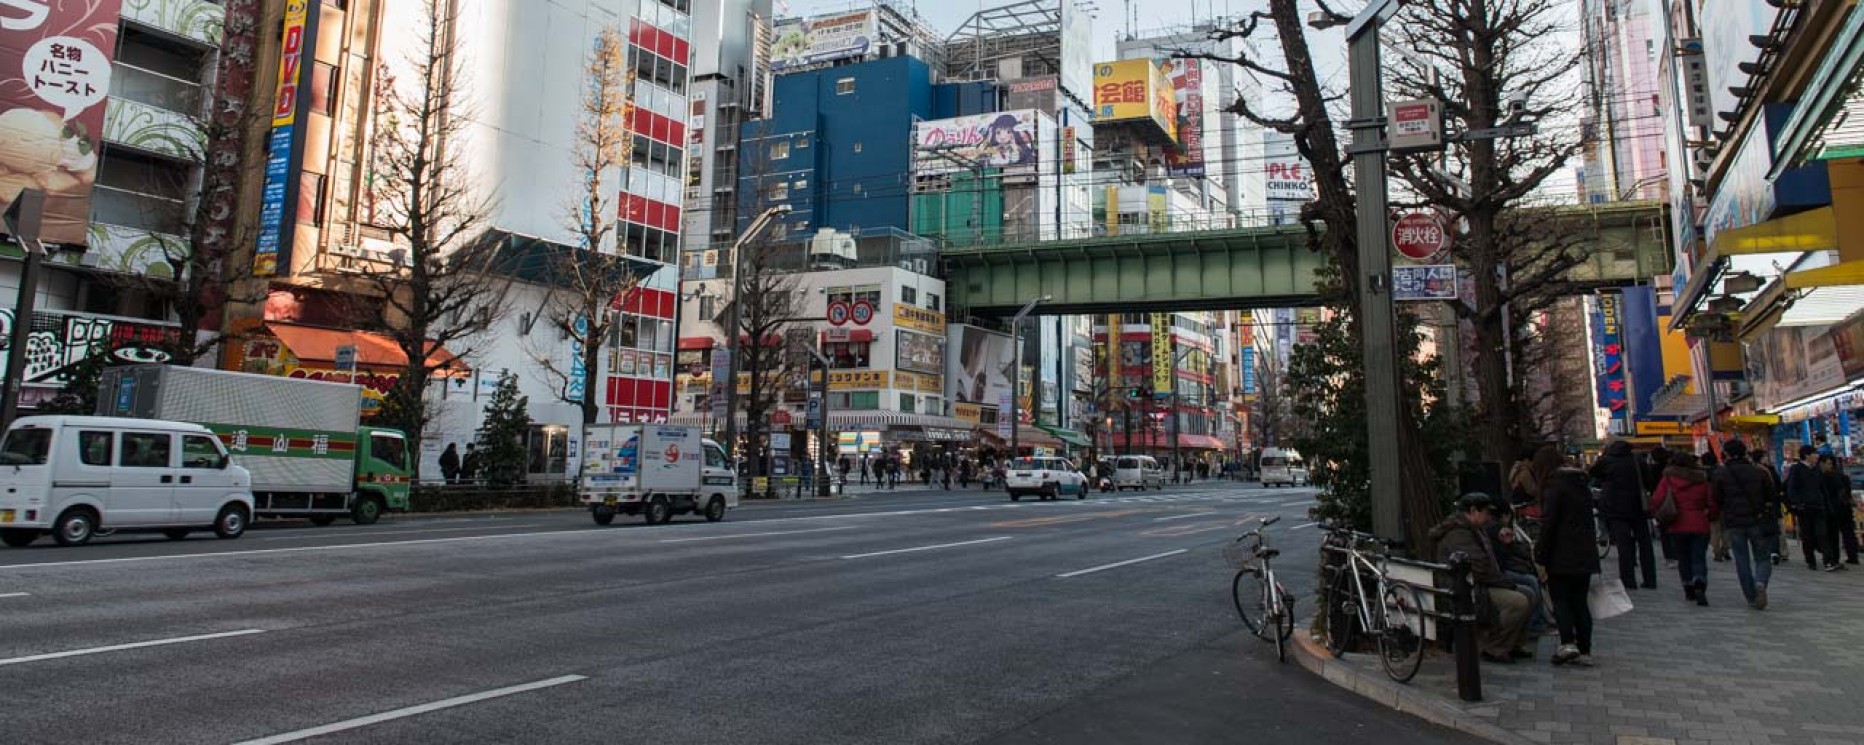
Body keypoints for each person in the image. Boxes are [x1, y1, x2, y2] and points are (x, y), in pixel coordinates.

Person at [1431, 493, 1534, 665]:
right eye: (1486, 513)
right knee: (1518, 602)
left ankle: (1513, 644)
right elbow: (1479, 567)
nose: (1488, 517)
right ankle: (1495, 647)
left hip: (1482, 582)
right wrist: (1504, 582)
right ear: (1473, 511)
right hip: (1469, 587)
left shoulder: (1475, 529)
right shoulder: (1458, 533)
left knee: (1530, 593)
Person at [1535, 450, 1600, 666]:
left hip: (1561, 553)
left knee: (1561, 599)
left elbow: (1549, 523)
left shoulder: (1555, 487)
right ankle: (1585, 648)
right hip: (1585, 552)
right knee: (1580, 601)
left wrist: (1541, 552)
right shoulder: (1581, 485)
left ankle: (1567, 643)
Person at [1711, 440, 1779, 609]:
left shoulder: (1721, 474)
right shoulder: (1759, 472)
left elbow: (1717, 499)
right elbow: (1771, 495)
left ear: (1726, 453)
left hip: (1734, 521)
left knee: (1742, 559)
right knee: (1763, 557)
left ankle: (1751, 597)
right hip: (1758, 519)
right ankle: (1761, 582)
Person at [1590, 440, 1658, 589]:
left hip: (1615, 507)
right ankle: (1650, 579)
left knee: (1624, 545)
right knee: (1645, 544)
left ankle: (1628, 580)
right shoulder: (1638, 461)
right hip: (1638, 506)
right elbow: (1649, 482)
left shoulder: (1607, 461)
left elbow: (1593, 474)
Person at [1652, 451, 1715, 605]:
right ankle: (1699, 581)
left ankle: (1688, 587)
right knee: (1698, 556)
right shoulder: (1702, 479)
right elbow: (1712, 502)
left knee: (1683, 557)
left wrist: (1657, 515)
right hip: (1699, 523)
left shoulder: (1668, 479)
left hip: (1677, 524)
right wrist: (1710, 516)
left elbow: (1657, 500)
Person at [1785, 445, 1839, 571]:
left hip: (1818, 507)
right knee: (1807, 535)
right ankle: (1810, 561)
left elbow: (1822, 489)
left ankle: (1828, 561)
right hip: (1804, 508)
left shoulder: (1816, 470)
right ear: (1807, 455)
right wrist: (1797, 503)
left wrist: (1826, 504)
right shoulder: (1796, 469)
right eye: (1815, 454)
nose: (1817, 457)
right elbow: (1791, 488)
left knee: (1822, 534)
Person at [1818, 455, 1854, 569]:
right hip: (1843, 508)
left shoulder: (1828, 477)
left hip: (1835, 509)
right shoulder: (1842, 476)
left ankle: (1833, 558)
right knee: (1846, 533)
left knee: (1833, 535)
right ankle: (1851, 556)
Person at [1703, 450, 1732, 562]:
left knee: (1714, 529)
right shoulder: (1722, 471)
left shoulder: (1702, 474)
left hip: (1710, 504)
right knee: (1726, 528)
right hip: (1724, 503)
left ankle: (1716, 552)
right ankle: (1726, 549)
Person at [1508, 447, 1544, 518]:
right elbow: (1532, 490)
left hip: (1518, 504)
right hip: (1524, 505)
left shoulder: (1517, 469)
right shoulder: (1524, 472)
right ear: (1526, 460)